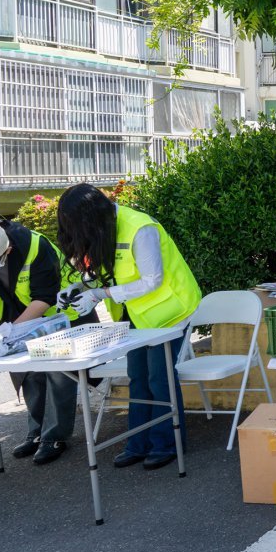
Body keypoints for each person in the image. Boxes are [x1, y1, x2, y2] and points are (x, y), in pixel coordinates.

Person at [56, 184, 202, 471]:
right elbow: (110, 274)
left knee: (159, 378)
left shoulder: (140, 228)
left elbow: (152, 280)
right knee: (138, 377)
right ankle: (138, 443)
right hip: (139, 313)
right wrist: (79, 287)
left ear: (91, 216)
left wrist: (100, 295)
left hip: (171, 310)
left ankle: (166, 444)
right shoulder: (103, 227)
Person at [0, 218, 92, 466]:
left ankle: (54, 437)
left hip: (62, 315)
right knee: (28, 374)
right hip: (15, 322)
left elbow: (44, 297)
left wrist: (13, 331)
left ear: (7, 251)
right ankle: (36, 433)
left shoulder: (35, 246)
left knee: (59, 374)